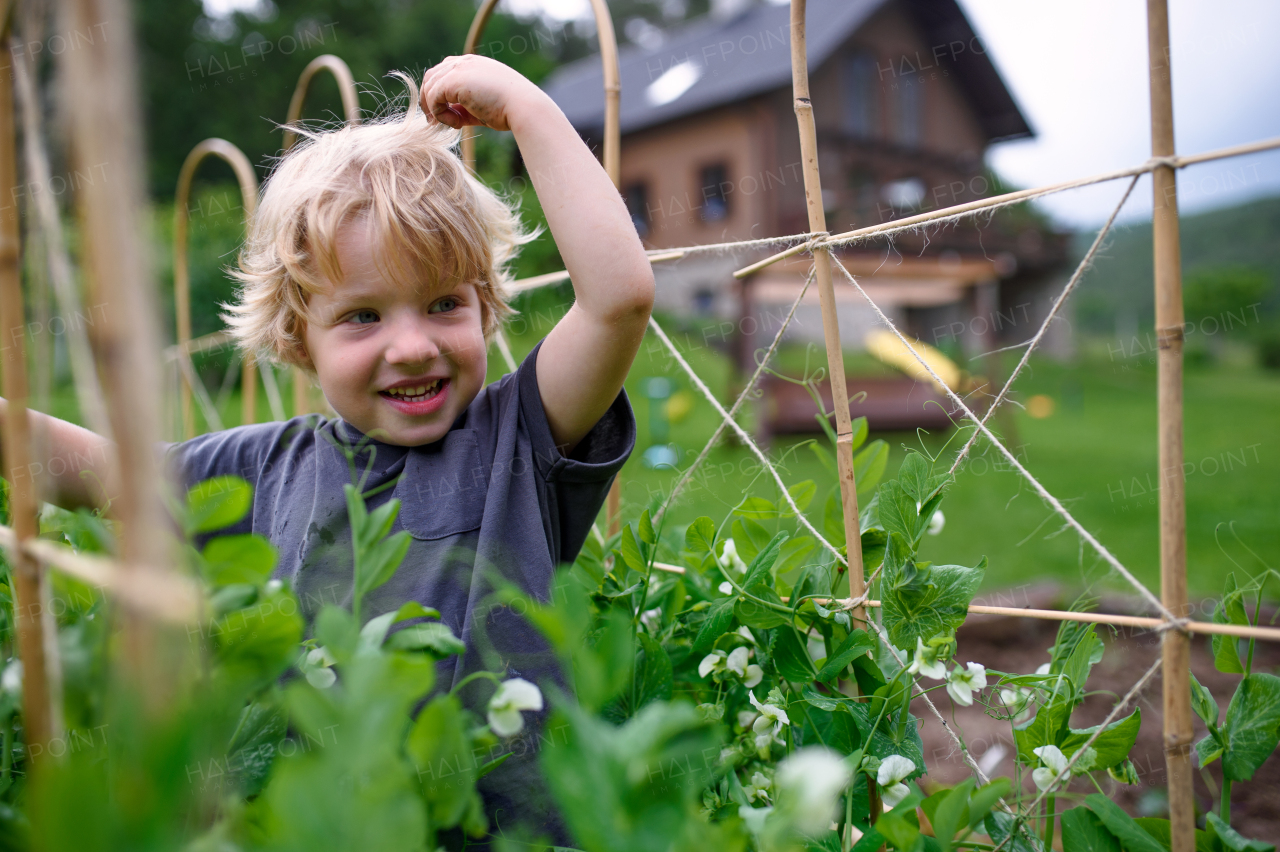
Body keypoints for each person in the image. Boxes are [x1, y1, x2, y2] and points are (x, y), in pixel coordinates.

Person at [1, 56, 653, 840]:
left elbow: (618, 299)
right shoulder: (262, 465)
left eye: (443, 303)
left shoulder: (521, 435)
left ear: (485, 308)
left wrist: (527, 111)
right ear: (297, 340)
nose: (411, 346)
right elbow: (106, 477)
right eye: (363, 317)